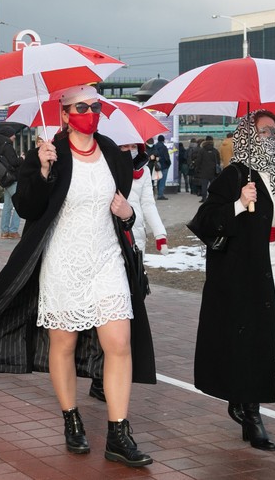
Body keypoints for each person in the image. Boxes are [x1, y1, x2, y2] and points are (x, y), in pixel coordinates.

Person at [0, 86, 156, 468]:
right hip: (63, 261)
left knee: (119, 343)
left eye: (95, 105)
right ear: (65, 113)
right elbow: (27, 207)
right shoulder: (48, 153)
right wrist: (40, 169)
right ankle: (71, 418)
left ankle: (119, 433)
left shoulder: (111, 153)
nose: (90, 111)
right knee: (64, 344)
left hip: (107, 259)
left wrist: (127, 215)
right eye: (82, 106)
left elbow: (125, 205)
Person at [190, 110, 275, 452]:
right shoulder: (234, 176)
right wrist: (238, 203)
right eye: (263, 131)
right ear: (248, 134)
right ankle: (251, 413)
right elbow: (205, 221)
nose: (271, 137)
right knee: (255, 343)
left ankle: (242, 401)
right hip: (241, 274)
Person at [88, 142, 167, 403]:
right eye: (123, 143)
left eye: (133, 143)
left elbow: (148, 204)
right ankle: (100, 376)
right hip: (112, 245)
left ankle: (113, 371)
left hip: (136, 245)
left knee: (130, 310)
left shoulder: (142, 171)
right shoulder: (105, 167)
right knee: (110, 313)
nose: (128, 147)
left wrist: (161, 233)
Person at [0, 126, 22, 239]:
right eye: (12, 134)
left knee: (7, 206)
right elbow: (14, 162)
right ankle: (13, 231)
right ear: (8, 135)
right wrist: (22, 158)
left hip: (5, 179)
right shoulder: (8, 146)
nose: (14, 136)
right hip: (12, 179)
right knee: (20, 205)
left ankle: (4, 231)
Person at [194, 136, 221, 202]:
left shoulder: (202, 150)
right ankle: (213, 198)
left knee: (204, 186)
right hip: (213, 171)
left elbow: (198, 161)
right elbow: (218, 161)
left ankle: (204, 198)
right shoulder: (215, 150)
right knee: (213, 186)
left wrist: (197, 169)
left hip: (203, 171)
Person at [149, 135, 170, 200]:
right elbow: (166, 158)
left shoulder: (155, 146)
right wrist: (168, 164)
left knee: (158, 180)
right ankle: (160, 195)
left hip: (156, 166)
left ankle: (157, 193)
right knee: (162, 181)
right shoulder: (163, 147)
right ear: (163, 140)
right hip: (163, 166)